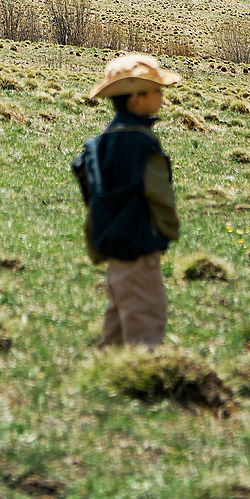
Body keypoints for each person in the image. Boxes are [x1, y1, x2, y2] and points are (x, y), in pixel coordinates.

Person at [71, 51, 182, 348]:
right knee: (146, 319)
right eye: (155, 90)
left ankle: (108, 377)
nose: (161, 95)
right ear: (136, 100)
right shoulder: (142, 143)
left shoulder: (101, 142)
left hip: (112, 244)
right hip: (139, 245)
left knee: (118, 321)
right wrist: (168, 231)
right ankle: (139, 378)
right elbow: (158, 195)